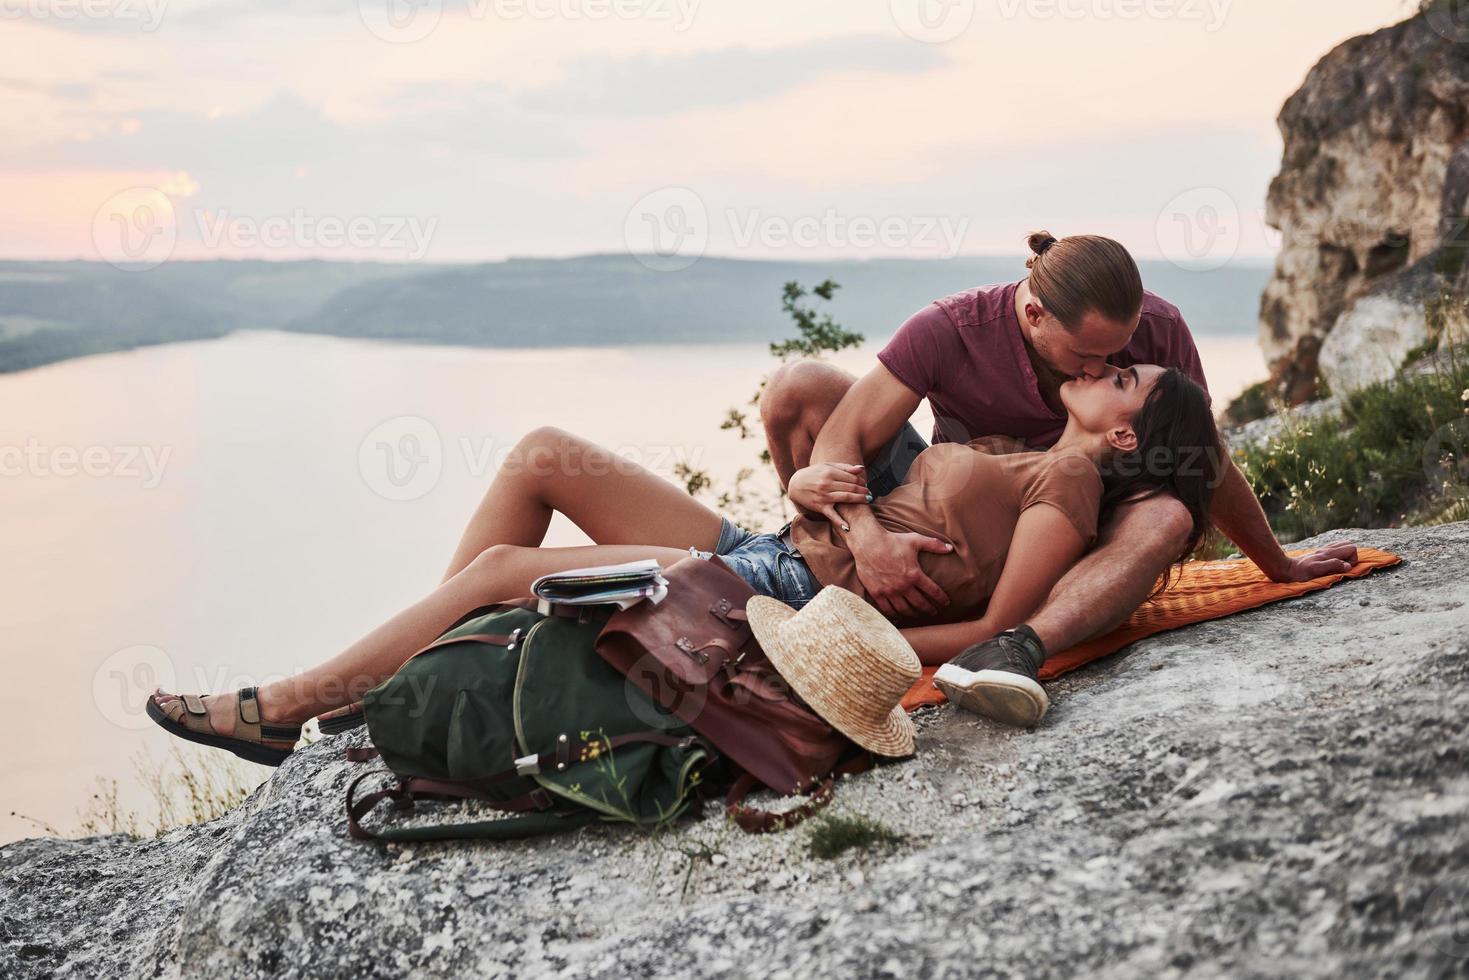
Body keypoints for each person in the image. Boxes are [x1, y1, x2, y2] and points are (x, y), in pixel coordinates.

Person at [146, 359, 1214, 764]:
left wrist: (814, 641)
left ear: (1123, 436)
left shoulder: (1066, 489)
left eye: (1122, 375)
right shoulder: (1035, 447)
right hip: (771, 545)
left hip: (772, 597)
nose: (1102, 366)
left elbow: (996, 634)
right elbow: (838, 422)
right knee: (541, 456)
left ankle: (289, 704)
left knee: (497, 569)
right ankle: (425, 674)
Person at [761, 231, 1359, 725]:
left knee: (1171, 512)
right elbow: (841, 435)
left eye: (1118, 358)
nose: (1103, 369)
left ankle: (1015, 644)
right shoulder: (950, 328)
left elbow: (1202, 455)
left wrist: (1276, 565)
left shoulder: (1157, 329)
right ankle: (822, 567)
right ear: (1035, 313)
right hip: (968, 511)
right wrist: (866, 535)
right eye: (1084, 357)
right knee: (797, 390)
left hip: (1088, 517)